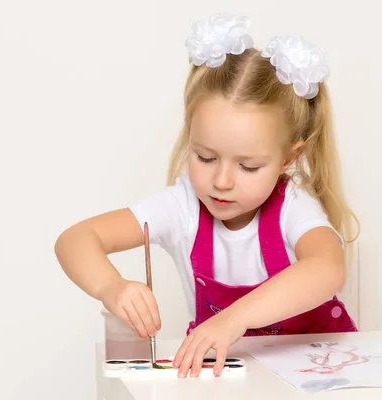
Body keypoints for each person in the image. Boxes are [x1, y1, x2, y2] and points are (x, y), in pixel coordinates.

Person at [54, 12, 360, 379]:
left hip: (316, 375)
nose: (222, 181)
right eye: (205, 157)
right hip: (229, 380)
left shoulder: (293, 208)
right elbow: (75, 239)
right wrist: (111, 286)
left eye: (248, 166)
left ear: (288, 158)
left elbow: (327, 268)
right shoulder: (180, 208)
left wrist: (235, 318)